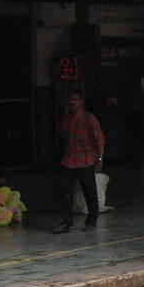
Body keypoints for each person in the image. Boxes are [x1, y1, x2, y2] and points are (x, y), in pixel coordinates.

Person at [54, 91, 104, 234]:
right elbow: (63, 136)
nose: (72, 102)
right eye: (70, 100)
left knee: (90, 192)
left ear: (81, 102)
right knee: (65, 192)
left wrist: (100, 158)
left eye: (75, 100)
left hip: (86, 160)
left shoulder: (89, 118)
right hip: (69, 160)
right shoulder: (67, 119)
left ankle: (91, 221)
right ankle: (66, 222)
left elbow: (99, 139)